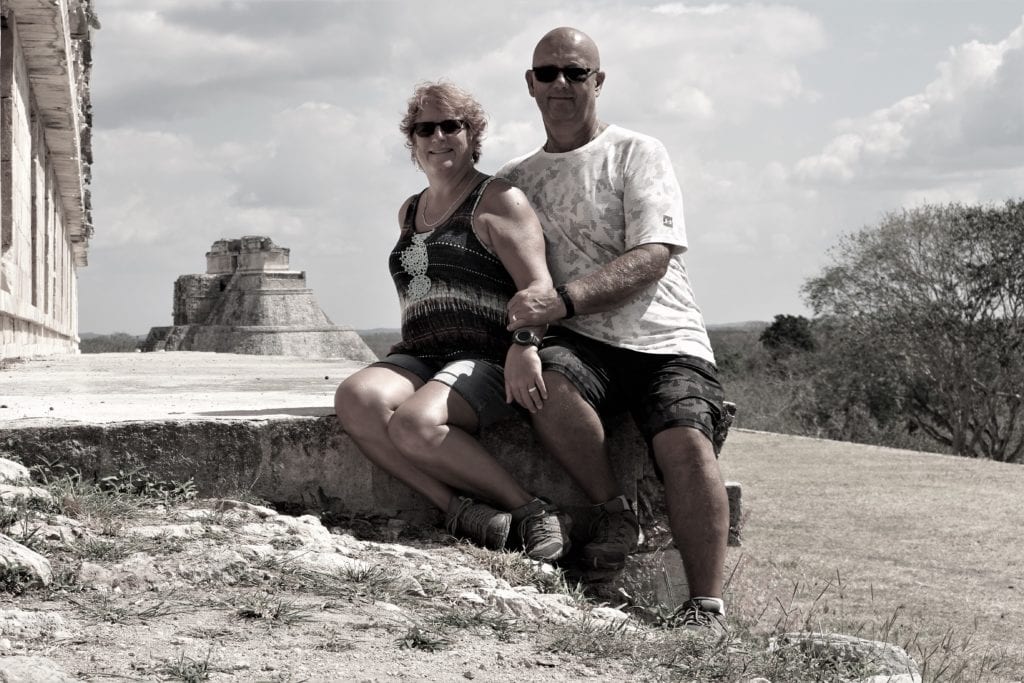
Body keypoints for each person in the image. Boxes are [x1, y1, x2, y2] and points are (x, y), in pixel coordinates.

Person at [497, 27, 731, 631]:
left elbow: (653, 254)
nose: (562, 84)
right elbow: (514, 278)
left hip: (665, 337)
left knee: (684, 440)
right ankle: (615, 510)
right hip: (581, 343)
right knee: (546, 383)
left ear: (598, 82)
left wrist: (563, 303)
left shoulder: (637, 152)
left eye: (576, 73)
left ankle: (706, 605)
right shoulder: (515, 180)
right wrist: (519, 342)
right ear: (530, 84)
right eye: (548, 73)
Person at [334, 81, 570, 562]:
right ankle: (458, 509)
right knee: (356, 397)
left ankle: (531, 509)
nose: (438, 136)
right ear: (412, 140)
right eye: (426, 127)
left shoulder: (498, 200)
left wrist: (525, 344)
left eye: (451, 125)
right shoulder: (409, 209)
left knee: (416, 425)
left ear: (472, 134)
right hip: (421, 353)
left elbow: (538, 289)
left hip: (484, 356)